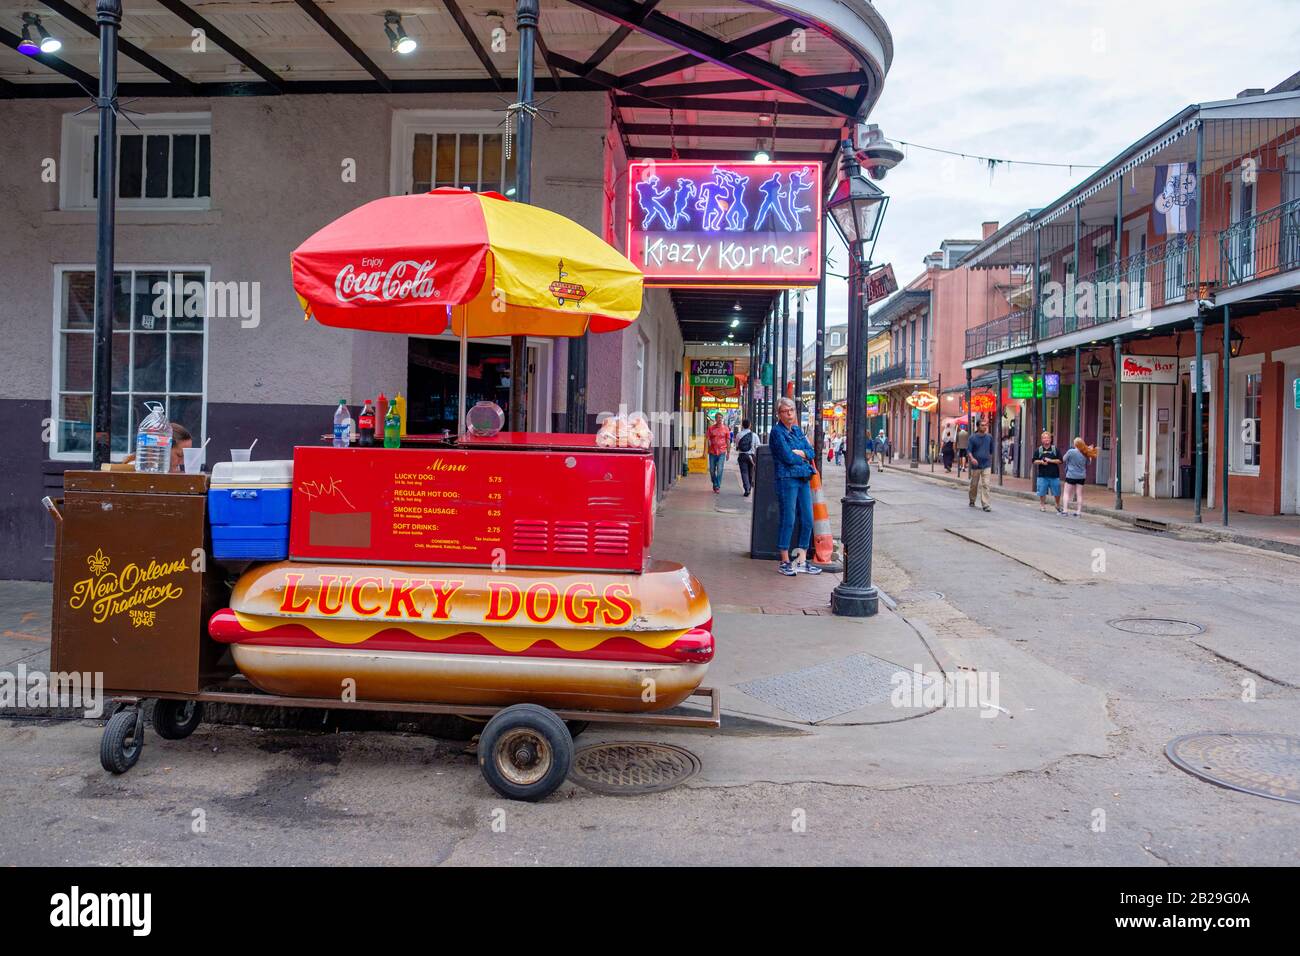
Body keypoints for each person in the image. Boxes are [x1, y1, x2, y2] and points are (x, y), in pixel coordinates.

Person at [768, 397, 822, 577]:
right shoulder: (777, 432)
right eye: (785, 411)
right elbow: (786, 457)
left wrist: (801, 453)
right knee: (788, 519)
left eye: (792, 410)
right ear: (779, 414)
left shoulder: (798, 430)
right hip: (787, 479)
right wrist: (802, 457)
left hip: (803, 478)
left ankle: (801, 560)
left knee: (808, 518)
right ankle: (784, 560)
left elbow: (812, 452)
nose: (790, 414)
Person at [124, 422, 193, 473]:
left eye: (186, 456)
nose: (182, 462)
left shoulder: (173, 469)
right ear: (163, 449)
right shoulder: (135, 469)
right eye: (179, 455)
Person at [1062, 437, 1095, 517]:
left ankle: (1065, 510)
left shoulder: (1071, 452)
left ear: (1075, 444)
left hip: (1071, 475)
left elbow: (1063, 459)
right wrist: (1089, 453)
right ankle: (1078, 512)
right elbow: (1088, 463)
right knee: (1079, 494)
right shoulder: (1085, 453)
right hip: (1081, 476)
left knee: (1066, 493)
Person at [1032, 431, 1064, 514]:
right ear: (1042, 440)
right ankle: (1042, 505)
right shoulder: (1038, 450)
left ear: (1051, 439)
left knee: (1057, 491)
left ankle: (1057, 504)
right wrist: (1041, 462)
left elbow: (1060, 461)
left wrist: (1051, 460)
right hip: (1042, 475)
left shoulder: (1055, 449)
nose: (1046, 439)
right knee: (1042, 491)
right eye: (1044, 438)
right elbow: (1034, 461)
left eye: (1048, 438)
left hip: (1054, 475)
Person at [967, 418, 993, 511]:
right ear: (978, 427)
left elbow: (991, 451)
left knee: (986, 484)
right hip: (976, 466)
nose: (985, 427)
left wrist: (989, 460)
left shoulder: (989, 437)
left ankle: (985, 504)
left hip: (986, 465)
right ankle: (972, 499)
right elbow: (969, 451)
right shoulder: (972, 438)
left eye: (985, 425)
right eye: (982, 425)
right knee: (974, 484)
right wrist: (972, 458)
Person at [705, 413, 730, 494]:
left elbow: (728, 441)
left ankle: (717, 486)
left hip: (722, 452)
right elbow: (707, 439)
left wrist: (728, 452)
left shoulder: (726, 429)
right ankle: (714, 482)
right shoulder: (711, 428)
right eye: (718, 418)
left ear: (722, 419)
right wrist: (705, 451)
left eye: (721, 418)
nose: (719, 419)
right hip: (712, 452)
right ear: (715, 419)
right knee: (712, 470)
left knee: (720, 470)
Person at [735, 418, 757, 497]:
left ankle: (747, 488)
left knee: (744, 473)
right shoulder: (754, 435)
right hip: (751, 456)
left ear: (742, 425)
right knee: (750, 473)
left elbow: (737, 446)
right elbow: (757, 446)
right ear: (750, 425)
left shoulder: (739, 435)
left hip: (742, 455)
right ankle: (749, 488)